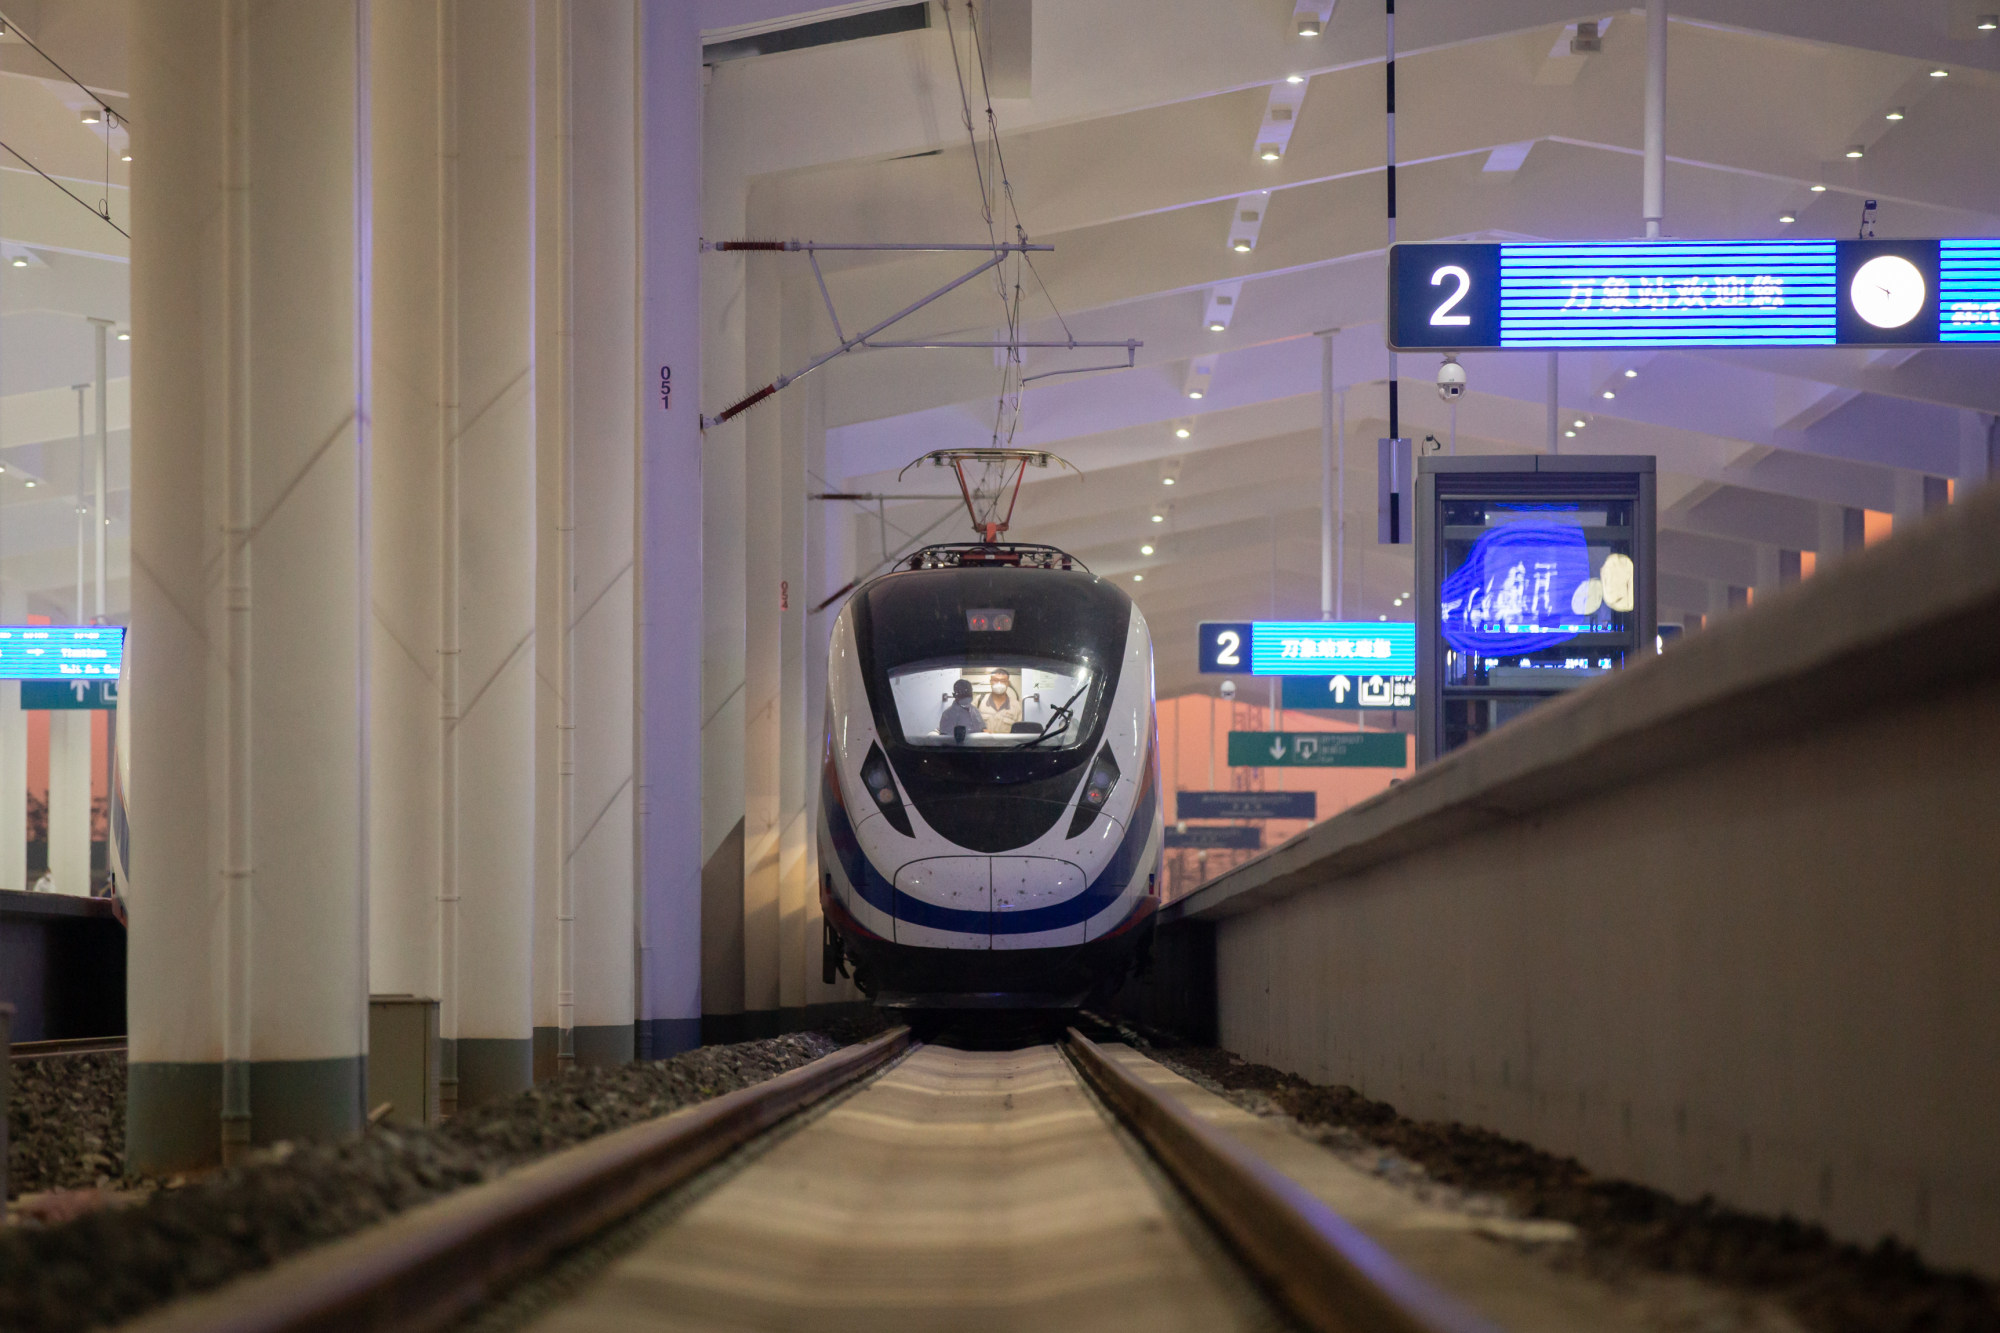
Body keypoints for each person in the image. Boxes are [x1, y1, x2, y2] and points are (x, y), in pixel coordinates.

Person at [979, 668, 1023, 732]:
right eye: (995, 680)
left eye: (1003, 681)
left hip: (1007, 742)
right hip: (982, 742)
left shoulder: (1016, 705)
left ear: (1008, 683)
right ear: (990, 682)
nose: (999, 683)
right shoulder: (979, 701)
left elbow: (1019, 731)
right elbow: (970, 724)